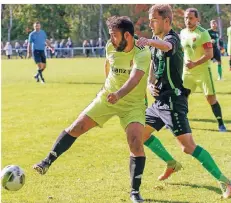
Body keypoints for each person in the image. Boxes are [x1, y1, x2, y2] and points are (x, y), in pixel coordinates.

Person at [33, 16, 151, 203]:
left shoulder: (142, 52)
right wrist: (106, 89)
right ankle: (47, 161)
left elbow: (135, 78)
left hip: (132, 104)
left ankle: (135, 192)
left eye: (114, 35)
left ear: (127, 36)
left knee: (136, 142)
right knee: (77, 126)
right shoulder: (110, 47)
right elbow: (108, 66)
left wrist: (119, 94)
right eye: (110, 35)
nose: (111, 39)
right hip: (107, 98)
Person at [137, 5, 231, 199]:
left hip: (173, 101)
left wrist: (148, 42)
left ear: (166, 21)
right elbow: (154, 64)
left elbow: (167, 47)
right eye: (149, 19)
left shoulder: (172, 38)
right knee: (139, 133)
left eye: (153, 19)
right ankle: (171, 164)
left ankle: (225, 181)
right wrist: (149, 82)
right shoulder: (155, 40)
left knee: (188, 147)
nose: (150, 23)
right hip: (159, 102)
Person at [181, 8, 227, 132]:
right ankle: (180, 123)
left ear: (197, 19)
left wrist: (194, 63)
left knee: (210, 98)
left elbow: (209, 54)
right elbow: (182, 51)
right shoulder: (183, 32)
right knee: (181, 97)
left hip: (202, 72)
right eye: (186, 18)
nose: (188, 20)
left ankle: (221, 124)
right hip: (187, 72)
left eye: (190, 18)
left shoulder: (203, 33)